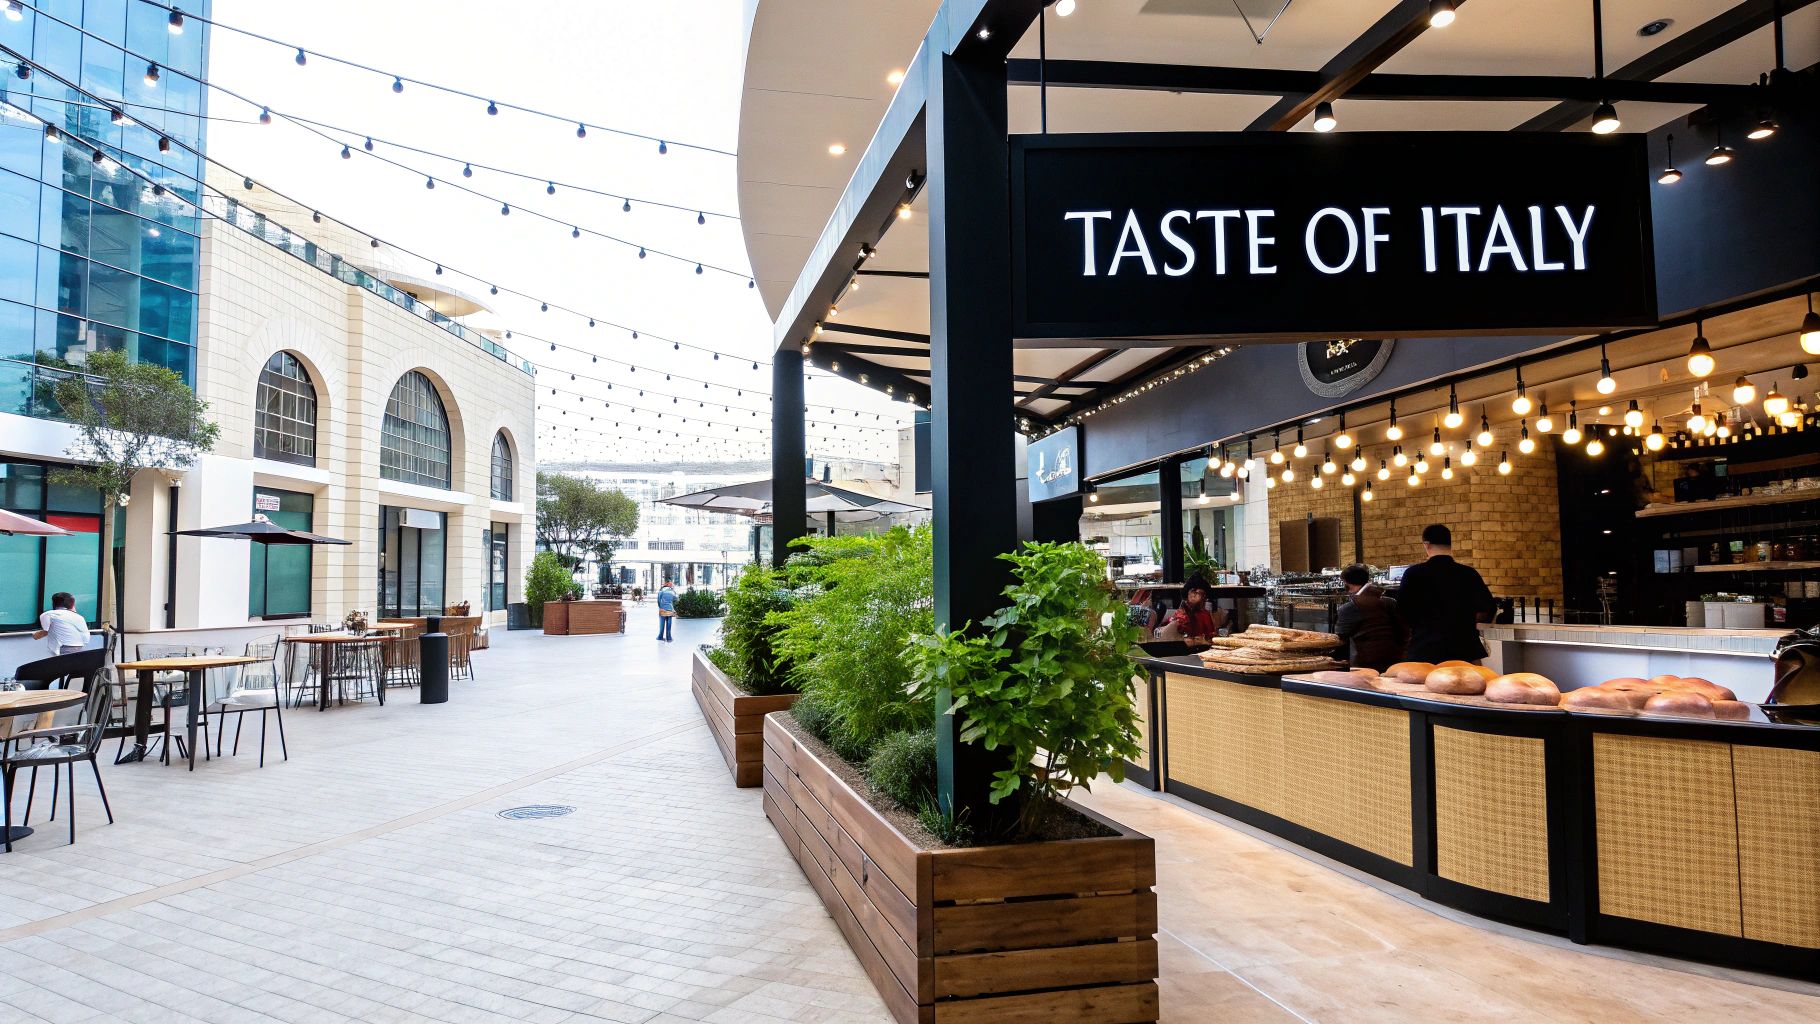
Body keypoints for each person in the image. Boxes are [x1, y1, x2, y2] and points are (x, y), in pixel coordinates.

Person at [1395, 524, 1497, 664]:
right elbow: (1489, 608)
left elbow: (1402, 611)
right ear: (1450, 544)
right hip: (1465, 650)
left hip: (1425, 649)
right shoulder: (1468, 574)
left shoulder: (1414, 574)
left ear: (1426, 545)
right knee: (1469, 685)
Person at [1335, 564, 1407, 671]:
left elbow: (1340, 636)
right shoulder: (1390, 602)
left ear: (1347, 583)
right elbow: (1403, 631)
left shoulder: (1350, 607)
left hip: (1365, 662)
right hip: (1396, 659)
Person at [1168, 581, 1227, 647]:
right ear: (1188, 595)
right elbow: (1184, 640)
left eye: (1204, 595)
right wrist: (1202, 642)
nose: (1203, 598)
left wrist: (1208, 641)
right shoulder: (1181, 616)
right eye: (1197, 593)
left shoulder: (1205, 614)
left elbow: (1211, 636)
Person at [32, 592, 89, 657]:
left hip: (62, 649)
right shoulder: (79, 617)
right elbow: (86, 638)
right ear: (73, 604)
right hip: (79, 648)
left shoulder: (47, 615)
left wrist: (34, 635)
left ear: (53, 603)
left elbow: (45, 631)